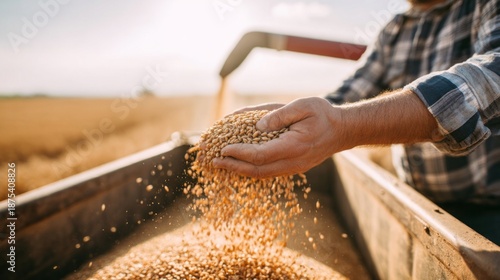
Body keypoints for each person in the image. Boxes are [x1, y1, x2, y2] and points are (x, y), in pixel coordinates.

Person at [211, 0, 500, 207]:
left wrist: (341, 125)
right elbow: (350, 94)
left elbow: (488, 79)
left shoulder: (483, 7)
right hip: (417, 202)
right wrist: (289, 122)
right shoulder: (394, 30)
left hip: (488, 210)